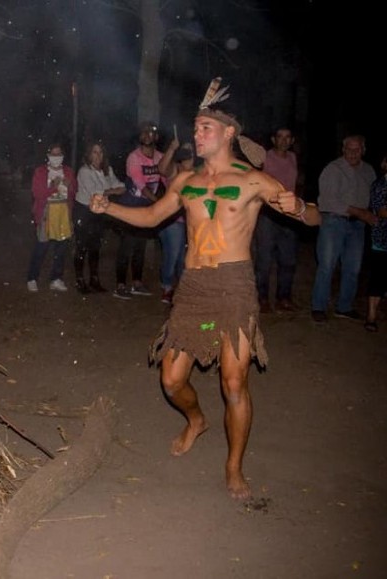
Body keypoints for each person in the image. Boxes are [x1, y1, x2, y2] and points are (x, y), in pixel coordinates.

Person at [89, 78, 320, 500]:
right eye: (195, 128)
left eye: (204, 128)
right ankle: (196, 420)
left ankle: (234, 467)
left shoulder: (253, 180)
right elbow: (152, 217)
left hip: (234, 285)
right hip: (193, 286)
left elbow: (315, 218)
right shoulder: (184, 180)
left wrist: (301, 208)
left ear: (228, 133)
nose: (196, 134)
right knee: (172, 380)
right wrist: (111, 208)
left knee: (234, 383)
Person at [310, 135, 377, 321]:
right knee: (327, 265)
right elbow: (327, 201)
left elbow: (371, 197)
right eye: (349, 149)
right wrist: (361, 212)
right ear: (343, 149)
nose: (353, 153)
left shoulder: (369, 171)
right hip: (334, 222)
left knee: (353, 268)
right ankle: (319, 306)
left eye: (357, 149)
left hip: (357, 226)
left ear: (363, 150)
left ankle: (344, 306)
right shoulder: (333, 169)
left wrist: (370, 214)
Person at [254, 127, 303, 313]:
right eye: (280, 137)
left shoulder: (293, 158)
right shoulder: (263, 158)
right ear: (273, 139)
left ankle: (284, 297)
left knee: (288, 259)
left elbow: (295, 184)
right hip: (268, 214)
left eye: (287, 137)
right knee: (264, 260)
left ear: (292, 140)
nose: (283, 140)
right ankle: (263, 298)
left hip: (289, 215)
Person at [113, 121, 162, 299]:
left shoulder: (160, 158)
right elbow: (141, 185)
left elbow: (167, 177)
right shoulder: (134, 157)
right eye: (144, 132)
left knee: (140, 246)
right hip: (131, 206)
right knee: (127, 246)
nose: (147, 135)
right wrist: (159, 203)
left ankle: (137, 283)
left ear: (156, 137)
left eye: (151, 132)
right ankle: (120, 285)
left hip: (146, 207)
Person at [73, 141, 125, 293]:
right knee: (81, 247)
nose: (98, 156)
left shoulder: (107, 170)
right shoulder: (84, 171)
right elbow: (95, 193)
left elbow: (121, 186)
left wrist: (109, 191)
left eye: (100, 152)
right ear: (89, 154)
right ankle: (80, 280)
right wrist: (111, 191)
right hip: (84, 210)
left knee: (95, 247)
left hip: (100, 212)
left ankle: (94, 279)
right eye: (95, 152)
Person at [27, 142, 78, 292]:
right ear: (48, 155)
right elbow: (37, 194)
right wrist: (54, 187)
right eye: (53, 154)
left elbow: (74, 191)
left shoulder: (68, 171)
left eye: (59, 154)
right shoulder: (41, 172)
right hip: (46, 213)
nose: (56, 157)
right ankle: (32, 277)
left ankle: (56, 278)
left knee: (61, 248)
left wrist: (70, 186)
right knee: (41, 246)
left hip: (63, 212)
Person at [156, 137, 192, 305]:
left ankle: (179, 289)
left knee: (182, 258)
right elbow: (162, 169)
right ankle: (167, 287)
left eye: (190, 151)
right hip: (171, 221)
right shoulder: (175, 170)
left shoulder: (198, 172)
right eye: (184, 151)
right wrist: (171, 148)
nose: (188, 155)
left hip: (189, 222)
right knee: (173, 255)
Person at [365, 151, 387, 332]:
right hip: (381, 240)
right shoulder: (380, 185)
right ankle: (371, 316)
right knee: (378, 278)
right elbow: (382, 211)